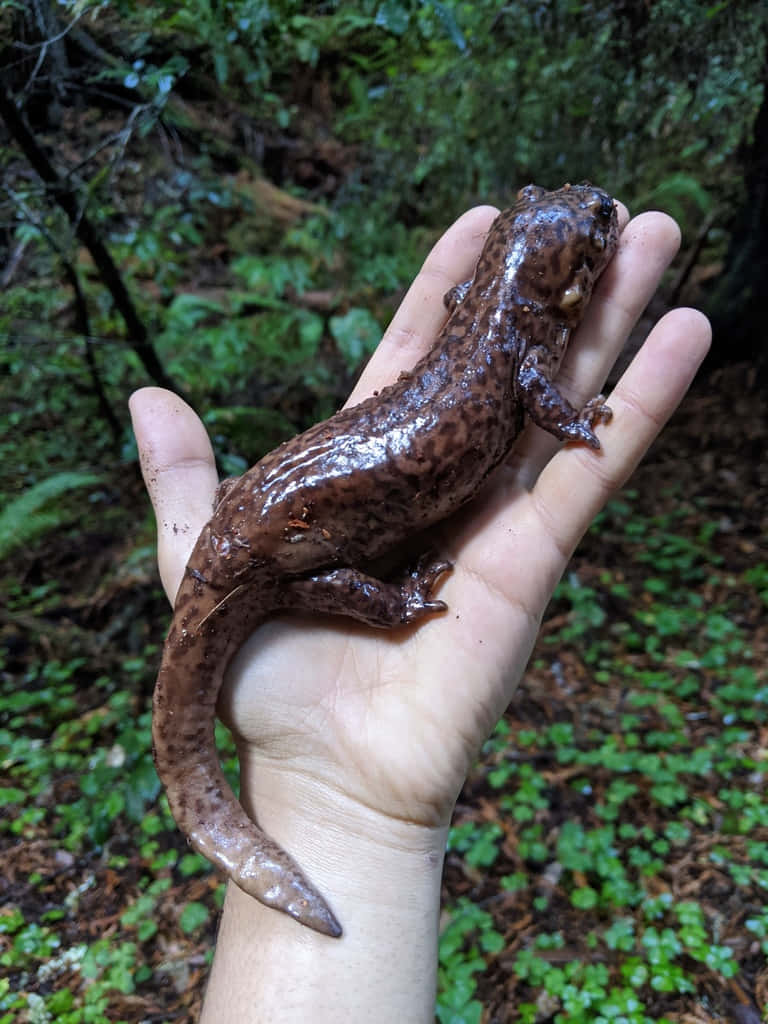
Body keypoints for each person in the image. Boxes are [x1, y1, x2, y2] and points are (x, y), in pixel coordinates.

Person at [129, 200, 710, 1022]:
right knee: (352, 591)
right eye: (590, 240)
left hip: (261, 515)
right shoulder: (521, 336)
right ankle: (396, 601)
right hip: (270, 557)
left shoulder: (478, 307)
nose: (599, 222)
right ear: (571, 289)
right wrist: (576, 421)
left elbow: (466, 317)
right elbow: (544, 394)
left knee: (302, 564)